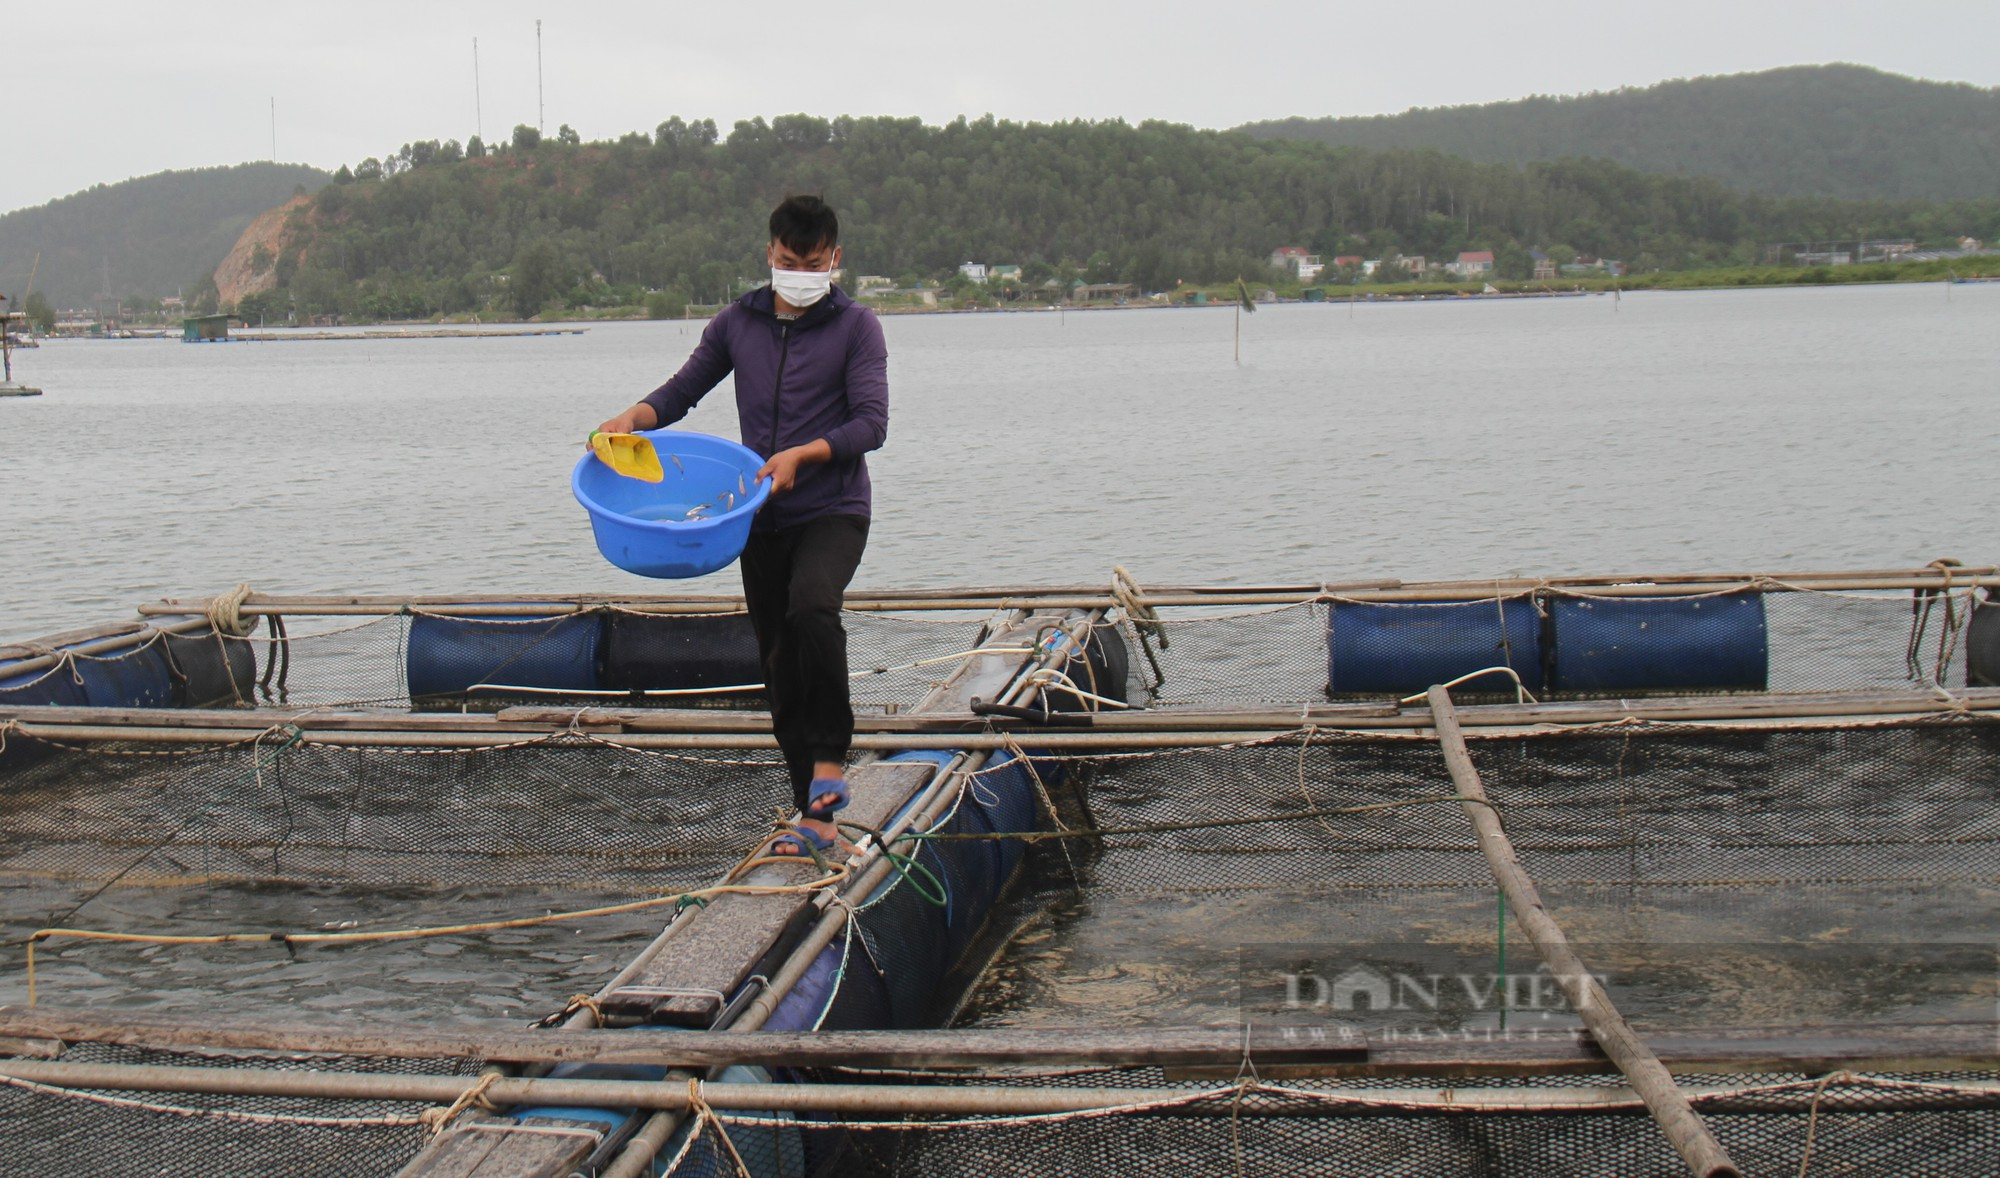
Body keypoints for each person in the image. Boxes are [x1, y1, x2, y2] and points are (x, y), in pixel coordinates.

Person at [596, 195, 888, 859]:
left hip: (833, 508)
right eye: (789, 262)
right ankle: (811, 819)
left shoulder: (858, 328)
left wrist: (803, 455)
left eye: (814, 264)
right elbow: (681, 390)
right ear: (770, 255)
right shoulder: (738, 323)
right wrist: (628, 420)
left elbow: (871, 424)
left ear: (835, 260)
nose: (801, 273)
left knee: (814, 608)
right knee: (779, 660)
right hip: (759, 513)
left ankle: (832, 762)